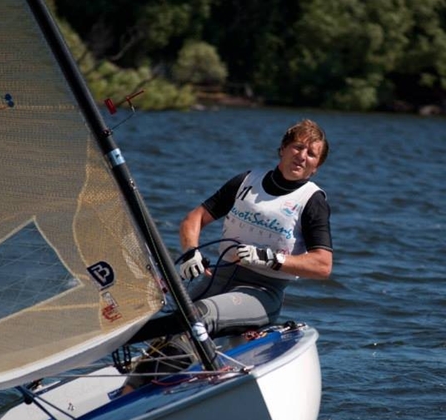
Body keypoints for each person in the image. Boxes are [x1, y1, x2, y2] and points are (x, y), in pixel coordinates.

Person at [127, 118, 333, 348]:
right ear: (283, 149)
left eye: (311, 154)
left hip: (262, 292)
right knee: (167, 321)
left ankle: (183, 360)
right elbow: (194, 218)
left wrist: (271, 259)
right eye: (298, 147)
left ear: (316, 167)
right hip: (217, 278)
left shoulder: (312, 201)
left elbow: (323, 265)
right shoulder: (247, 181)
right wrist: (190, 252)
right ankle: (134, 366)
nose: (302, 156)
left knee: (196, 317)